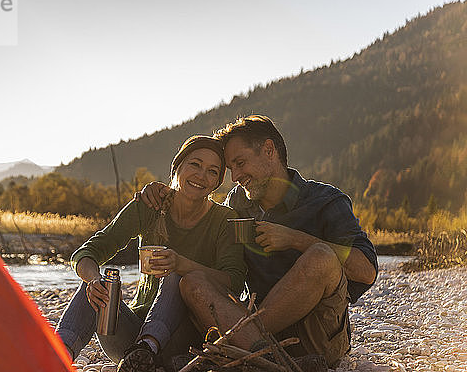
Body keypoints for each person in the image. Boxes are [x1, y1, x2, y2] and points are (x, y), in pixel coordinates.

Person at [140, 115, 378, 368]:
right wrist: (164, 196)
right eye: (232, 169)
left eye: (241, 163)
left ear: (268, 150)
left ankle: (238, 355)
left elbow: (366, 271)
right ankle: (270, 361)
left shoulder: (325, 200)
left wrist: (295, 239)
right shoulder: (236, 203)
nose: (236, 176)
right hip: (249, 333)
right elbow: (198, 228)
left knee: (321, 256)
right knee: (193, 282)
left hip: (315, 338)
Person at [56, 135, 246, 372]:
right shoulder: (150, 206)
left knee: (177, 276)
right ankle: (54, 356)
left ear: (218, 181)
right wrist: (93, 280)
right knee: (97, 287)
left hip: (186, 342)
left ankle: (146, 349)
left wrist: (181, 263)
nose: (201, 176)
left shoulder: (224, 220)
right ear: (177, 167)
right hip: (129, 341)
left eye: (212, 171)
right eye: (195, 164)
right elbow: (87, 252)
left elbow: (235, 281)